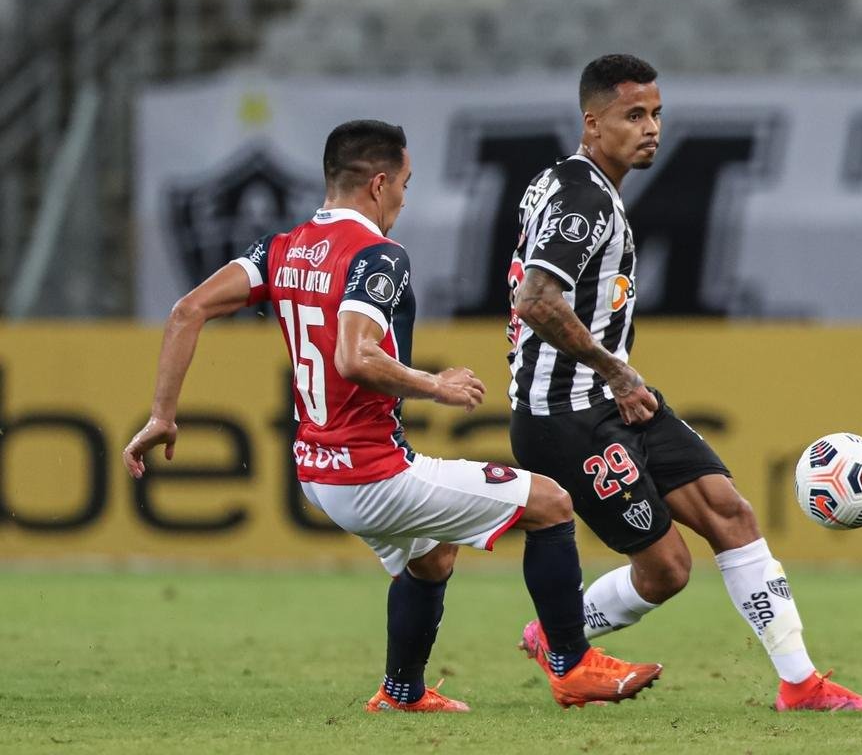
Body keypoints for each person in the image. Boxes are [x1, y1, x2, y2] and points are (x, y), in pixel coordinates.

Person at [122, 120, 662, 712]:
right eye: (405, 183)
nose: (404, 197)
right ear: (379, 184)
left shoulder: (282, 247)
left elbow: (186, 310)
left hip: (315, 469)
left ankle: (401, 691)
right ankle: (573, 664)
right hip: (370, 472)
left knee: (432, 556)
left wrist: (162, 416)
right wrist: (436, 385)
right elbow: (354, 357)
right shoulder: (378, 256)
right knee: (551, 504)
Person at [504, 54, 862, 712]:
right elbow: (536, 301)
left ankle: (801, 684)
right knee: (667, 570)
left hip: (616, 400)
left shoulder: (573, 183)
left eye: (656, 114)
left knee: (730, 512)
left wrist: (617, 378)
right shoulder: (582, 197)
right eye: (633, 115)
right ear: (592, 123)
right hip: (566, 414)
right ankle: (559, 633)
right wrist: (615, 370)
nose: (651, 128)